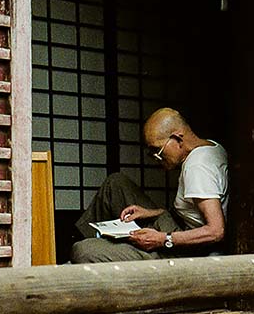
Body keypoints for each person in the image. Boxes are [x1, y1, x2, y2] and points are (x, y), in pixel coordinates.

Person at [71, 107, 228, 263]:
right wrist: (151, 213)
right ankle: (86, 240)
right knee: (116, 183)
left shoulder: (198, 167)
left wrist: (163, 239)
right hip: (174, 222)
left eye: (157, 151)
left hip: (186, 248)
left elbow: (216, 231)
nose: (155, 158)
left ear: (178, 139)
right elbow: (192, 211)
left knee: (82, 251)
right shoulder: (211, 147)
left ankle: (82, 254)